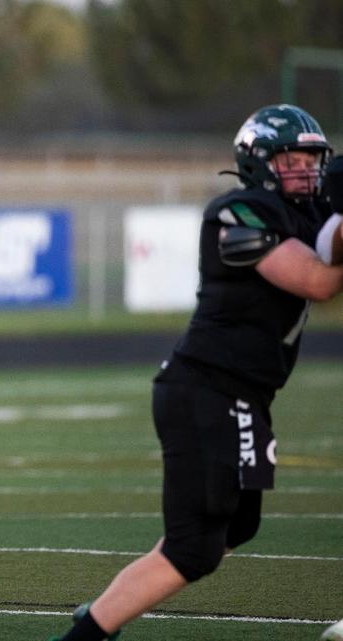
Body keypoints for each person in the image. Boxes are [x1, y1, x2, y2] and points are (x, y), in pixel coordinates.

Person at [49, 105, 343, 641]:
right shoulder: (237, 212)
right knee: (193, 548)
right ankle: (87, 633)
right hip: (205, 390)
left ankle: (110, 603)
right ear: (257, 163)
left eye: (311, 158)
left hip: (247, 398)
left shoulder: (310, 212)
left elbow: (329, 238)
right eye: (290, 158)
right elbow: (319, 281)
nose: (304, 168)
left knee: (240, 525)